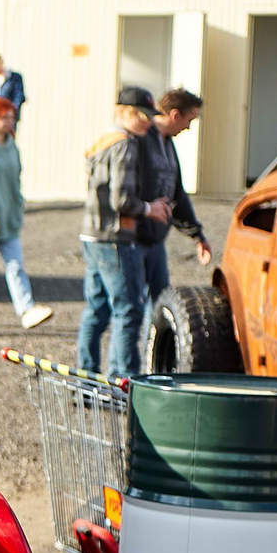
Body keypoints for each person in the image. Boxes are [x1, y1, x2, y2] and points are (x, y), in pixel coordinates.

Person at [77, 86, 172, 377]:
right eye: (143, 116)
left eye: (151, 116)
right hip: (115, 239)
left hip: (92, 235)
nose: (148, 122)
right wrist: (150, 208)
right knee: (128, 310)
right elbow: (122, 200)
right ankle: (122, 382)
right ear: (125, 112)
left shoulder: (103, 141)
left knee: (97, 309)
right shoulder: (125, 144)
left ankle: (86, 378)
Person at [0, 95, 52, 330]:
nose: (10, 121)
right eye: (5, 117)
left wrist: (19, 203)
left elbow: (16, 178)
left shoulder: (12, 146)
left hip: (9, 217)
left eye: (12, 117)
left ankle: (26, 310)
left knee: (15, 266)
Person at [137, 87, 212, 305]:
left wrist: (197, 235)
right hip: (133, 240)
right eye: (190, 120)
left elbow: (177, 194)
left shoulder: (168, 145)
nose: (188, 127)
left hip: (156, 240)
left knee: (160, 303)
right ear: (175, 115)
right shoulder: (141, 140)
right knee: (129, 308)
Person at [0, 52, 25, 122]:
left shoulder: (14, 77)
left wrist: (13, 110)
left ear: (1, 63)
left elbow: (19, 96)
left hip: (10, 115)